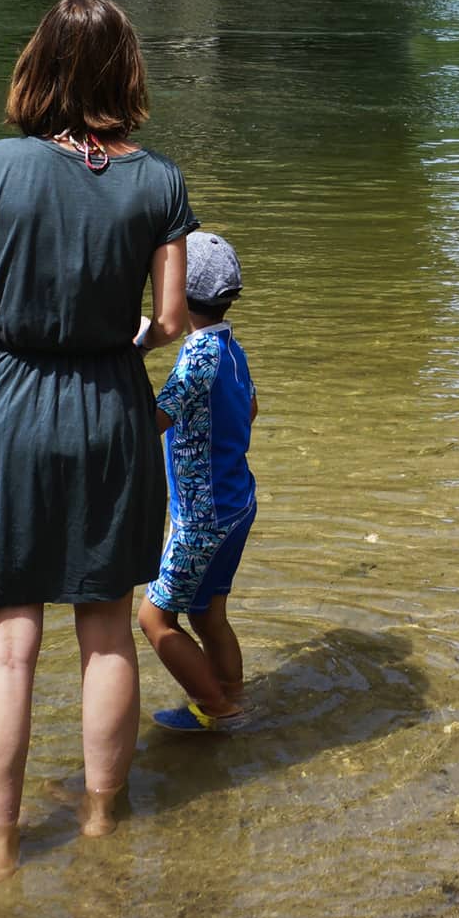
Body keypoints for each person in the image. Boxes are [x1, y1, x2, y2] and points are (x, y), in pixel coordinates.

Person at [0, 0, 194, 879]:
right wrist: (123, 349)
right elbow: (171, 319)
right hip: (111, 407)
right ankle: (99, 824)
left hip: (6, 403)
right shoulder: (158, 180)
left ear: (36, 64)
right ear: (126, 71)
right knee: (107, 631)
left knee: (8, 644)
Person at [138, 231, 257, 733]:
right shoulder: (230, 349)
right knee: (209, 613)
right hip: (237, 504)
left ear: (179, 298)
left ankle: (215, 705)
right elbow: (251, 408)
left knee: (154, 619)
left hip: (200, 518)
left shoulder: (194, 361)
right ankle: (231, 696)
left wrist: (133, 356)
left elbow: (151, 423)